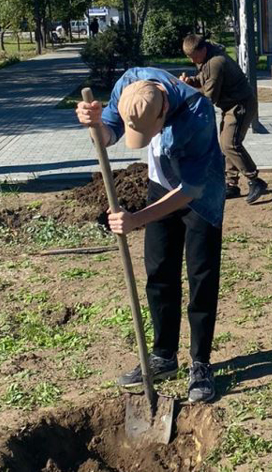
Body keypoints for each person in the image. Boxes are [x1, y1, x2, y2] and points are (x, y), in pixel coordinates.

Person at [75, 67, 225, 403]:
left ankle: (200, 364)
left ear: (164, 113)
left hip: (201, 196)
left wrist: (137, 219)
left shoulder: (198, 113)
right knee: (158, 272)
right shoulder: (132, 84)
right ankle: (164, 357)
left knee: (201, 277)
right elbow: (107, 134)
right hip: (160, 187)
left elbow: (190, 190)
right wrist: (93, 123)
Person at [180, 34, 268, 204]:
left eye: (193, 57)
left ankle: (255, 180)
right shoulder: (208, 58)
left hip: (240, 105)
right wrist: (191, 81)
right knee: (227, 143)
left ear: (202, 49)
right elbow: (203, 80)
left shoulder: (216, 62)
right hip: (230, 105)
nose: (192, 61)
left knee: (230, 143)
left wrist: (186, 94)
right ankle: (231, 184)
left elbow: (209, 96)